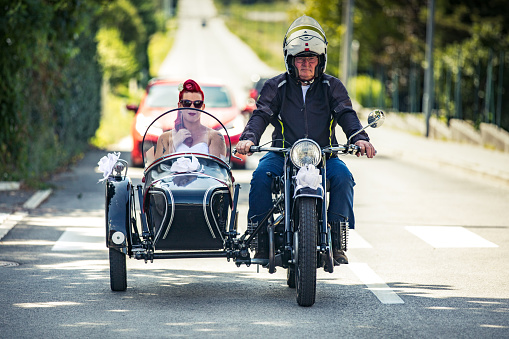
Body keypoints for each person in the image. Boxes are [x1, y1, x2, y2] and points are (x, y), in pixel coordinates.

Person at [236, 16, 376, 265]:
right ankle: (260, 239)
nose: (306, 64)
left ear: (320, 60)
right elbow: (261, 114)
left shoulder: (332, 86)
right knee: (259, 178)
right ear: (290, 60)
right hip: (282, 154)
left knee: (344, 178)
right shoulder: (275, 86)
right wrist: (248, 139)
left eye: (311, 59)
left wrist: (360, 138)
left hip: (324, 155)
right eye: (300, 59)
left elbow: (346, 113)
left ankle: (336, 237)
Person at [154, 79, 226, 159]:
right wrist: (174, 143)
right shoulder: (165, 138)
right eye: (187, 103)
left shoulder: (214, 137)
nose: (192, 107)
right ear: (180, 106)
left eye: (197, 104)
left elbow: (217, 169)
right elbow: (157, 169)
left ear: (203, 107)